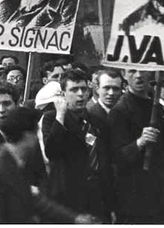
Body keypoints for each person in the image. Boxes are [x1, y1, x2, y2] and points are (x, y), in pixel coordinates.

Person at [0, 107, 93, 224]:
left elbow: (34, 201)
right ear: (27, 136)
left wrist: (76, 219)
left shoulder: (17, 162)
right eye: (37, 133)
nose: (37, 139)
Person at [107, 69, 164, 223]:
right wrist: (140, 142)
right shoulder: (119, 111)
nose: (138, 75)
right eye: (132, 71)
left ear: (150, 73)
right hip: (134, 195)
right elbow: (117, 157)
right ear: (124, 74)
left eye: (142, 71)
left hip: (160, 191)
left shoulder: (155, 106)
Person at [42, 69, 114, 221]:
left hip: (97, 199)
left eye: (84, 89)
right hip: (67, 200)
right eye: (74, 90)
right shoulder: (52, 119)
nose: (80, 94)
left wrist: (110, 204)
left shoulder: (97, 121)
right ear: (63, 94)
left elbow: (105, 162)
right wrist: (60, 115)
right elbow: (52, 151)